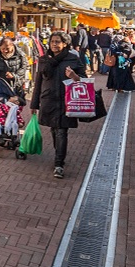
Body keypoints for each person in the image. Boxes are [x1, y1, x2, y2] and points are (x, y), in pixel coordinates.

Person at [30, 31, 87, 179]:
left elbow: (84, 79)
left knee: (62, 131)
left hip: (67, 100)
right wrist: (34, 103)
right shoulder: (44, 59)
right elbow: (39, 82)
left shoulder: (73, 59)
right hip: (48, 99)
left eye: (57, 42)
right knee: (54, 130)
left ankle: (59, 164)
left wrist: (74, 77)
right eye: (52, 41)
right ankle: (59, 153)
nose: (54, 44)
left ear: (65, 44)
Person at [0, 37, 29, 103]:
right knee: (0, 107)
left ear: (12, 46)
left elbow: (23, 68)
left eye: (7, 48)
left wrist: (13, 75)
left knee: (14, 108)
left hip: (15, 86)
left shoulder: (20, 55)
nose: (5, 51)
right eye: (3, 49)